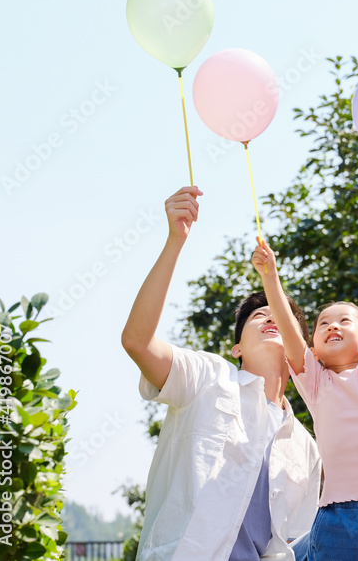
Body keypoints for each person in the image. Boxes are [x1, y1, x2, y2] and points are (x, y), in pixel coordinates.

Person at [121, 186, 322, 561]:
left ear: (301, 349)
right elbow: (136, 340)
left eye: (282, 316)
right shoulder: (206, 377)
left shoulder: (306, 447)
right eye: (257, 316)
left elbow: (292, 544)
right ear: (237, 349)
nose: (269, 316)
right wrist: (174, 241)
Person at [251, 213, 358, 561]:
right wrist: (271, 277)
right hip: (338, 517)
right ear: (313, 347)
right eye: (323, 323)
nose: (332, 325)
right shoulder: (315, 380)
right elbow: (287, 326)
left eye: (344, 320)